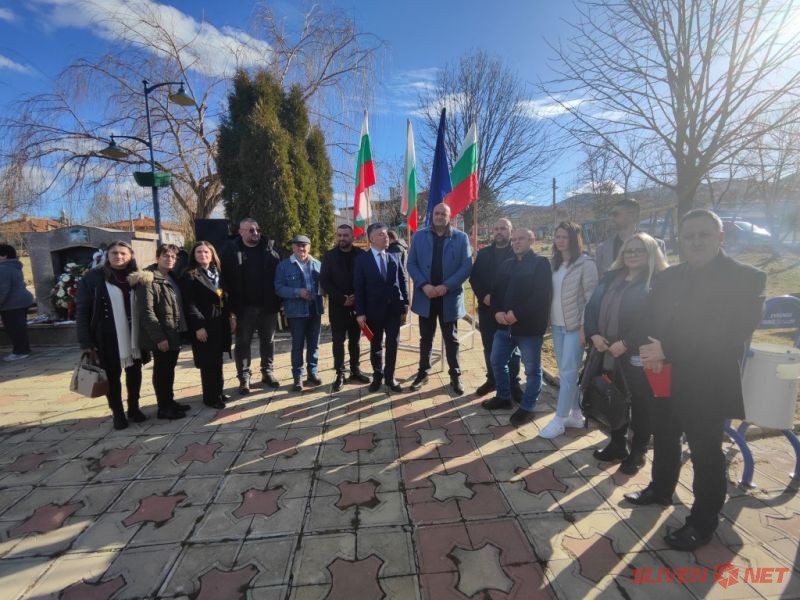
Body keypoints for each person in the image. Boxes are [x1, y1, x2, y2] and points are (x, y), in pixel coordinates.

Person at [626, 210, 766, 552]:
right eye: (689, 236)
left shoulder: (746, 278)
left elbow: (731, 333)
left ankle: (703, 522)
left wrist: (668, 350)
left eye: (704, 234)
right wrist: (647, 349)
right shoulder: (668, 276)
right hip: (663, 374)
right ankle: (661, 489)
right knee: (665, 437)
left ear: (721, 237)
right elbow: (648, 317)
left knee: (705, 453)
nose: (696, 241)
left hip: (707, 382)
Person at [583, 232, 668, 472]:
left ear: (650, 253)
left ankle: (638, 452)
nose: (632, 255)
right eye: (629, 250)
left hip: (638, 354)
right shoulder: (611, 277)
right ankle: (617, 444)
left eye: (639, 250)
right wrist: (593, 334)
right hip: (606, 351)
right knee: (614, 399)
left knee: (641, 404)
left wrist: (627, 342)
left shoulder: (657, 281)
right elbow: (591, 308)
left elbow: (653, 319)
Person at [482, 229, 552, 427]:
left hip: (529, 328)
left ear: (532, 240)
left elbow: (540, 296)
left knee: (532, 370)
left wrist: (517, 314)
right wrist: (496, 312)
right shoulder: (507, 264)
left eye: (521, 239)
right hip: (504, 326)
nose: (516, 243)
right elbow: (495, 292)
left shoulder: (540, 263)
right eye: (514, 240)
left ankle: (528, 407)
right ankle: (504, 396)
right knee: (496, 360)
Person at [76, 241, 147, 430]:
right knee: (112, 375)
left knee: (135, 372)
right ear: (107, 256)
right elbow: (82, 311)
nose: (118, 256)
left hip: (135, 333)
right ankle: (117, 412)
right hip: (107, 335)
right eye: (114, 253)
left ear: (131, 256)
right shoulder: (93, 278)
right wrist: (86, 341)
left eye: (123, 253)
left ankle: (134, 408)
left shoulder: (138, 277)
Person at [539, 222, 599, 439]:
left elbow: (591, 299)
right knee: (568, 373)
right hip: (557, 327)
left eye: (565, 237)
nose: (560, 240)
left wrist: (584, 328)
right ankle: (575, 414)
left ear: (574, 239)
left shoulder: (586, 264)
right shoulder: (553, 263)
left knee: (567, 372)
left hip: (574, 328)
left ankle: (559, 419)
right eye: (558, 236)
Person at [406, 203, 472, 394]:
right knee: (426, 338)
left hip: (448, 297)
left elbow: (466, 266)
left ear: (450, 216)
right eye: (437, 213)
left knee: (451, 339)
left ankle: (455, 376)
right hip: (426, 296)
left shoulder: (461, 237)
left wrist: (446, 286)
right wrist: (424, 285)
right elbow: (411, 264)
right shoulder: (419, 236)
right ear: (432, 215)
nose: (440, 216)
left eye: (444, 213)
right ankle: (423, 373)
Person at [128, 244, 190, 420]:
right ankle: (163, 408)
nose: (170, 259)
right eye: (166, 256)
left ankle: (169, 401)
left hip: (174, 330)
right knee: (162, 372)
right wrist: (159, 338)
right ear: (157, 258)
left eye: (173, 257)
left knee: (169, 370)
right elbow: (146, 311)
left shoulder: (171, 277)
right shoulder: (148, 279)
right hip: (162, 333)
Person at [221, 217, 282, 395]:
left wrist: (279, 302)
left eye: (257, 230)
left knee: (268, 341)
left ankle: (267, 372)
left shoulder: (270, 250)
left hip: (268, 306)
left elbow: (279, 277)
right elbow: (224, 281)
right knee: (242, 343)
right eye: (251, 230)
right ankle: (244, 377)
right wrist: (230, 310)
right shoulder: (230, 251)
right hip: (243, 308)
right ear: (241, 232)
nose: (255, 233)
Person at [354, 222, 410, 394]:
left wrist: (406, 302)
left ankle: (390, 376)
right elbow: (359, 288)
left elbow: (402, 280)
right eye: (381, 234)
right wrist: (360, 312)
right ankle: (377, 376)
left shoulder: (394, 256)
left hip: (393, 310)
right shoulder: (362, 260)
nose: (386, 237)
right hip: (373, 311)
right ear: (371, 238)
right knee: (376, 344)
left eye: (386, 233)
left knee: (393, 343)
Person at [469, 219, 522, 400]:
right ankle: (492, 380)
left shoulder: (517, 253)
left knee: (512, 350)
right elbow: (474, 278)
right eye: (496, 228)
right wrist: (483, 295)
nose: (499, 231)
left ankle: (513, 383)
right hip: (487, 309)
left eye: (503, 228)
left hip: (509, 312)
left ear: (511, 231)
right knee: (489, 347)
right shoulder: (484, 254)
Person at [181, 241, 232, 410]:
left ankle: (219, 392)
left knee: (217, 360)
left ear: (212, 255)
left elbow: (224, 297)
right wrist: (198, 326)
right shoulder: (190, 275)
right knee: (208, 362)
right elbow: (189, 304)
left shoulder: (217, 273)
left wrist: (231, 316)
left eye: (206, 252)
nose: (203, 255)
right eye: (199, 252)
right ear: (193, 255)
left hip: (220, 322)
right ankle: (211, 398)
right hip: (204, 324)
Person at [320, 224, 370, 392]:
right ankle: (340, 373)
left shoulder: (361, 255)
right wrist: (342, 298)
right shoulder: (329, 256)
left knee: (355, 341)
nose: (342, 238)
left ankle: (355, 370)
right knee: (338, 341)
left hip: (357, 305)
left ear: (352, 237)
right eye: (339, 235)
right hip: (338, 306)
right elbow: (325, 281)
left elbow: (366, 278)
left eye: (345, 235)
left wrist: (356, 296)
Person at [275, 234, 323, 392]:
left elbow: (325, 285)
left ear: (309, 247)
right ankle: (297, 377)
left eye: (304, 245)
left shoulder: (318, 264)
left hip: (315, 310)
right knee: (297, 345)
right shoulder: (284, 266)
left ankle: (312, 373)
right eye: (298, 245)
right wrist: (298, 292)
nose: (301, 248)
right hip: (296, 312)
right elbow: (279, 288)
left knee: (314, 345)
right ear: (293, 247)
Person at [596, 198, 666, 274]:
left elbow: (662, 276)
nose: (611, 218)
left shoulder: (656, 245)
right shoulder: (602, 249)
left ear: (633, 216)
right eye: (610, 215)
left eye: (615, 214)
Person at [0, 244, 34, 362]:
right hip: (21, 300)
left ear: (4, 256)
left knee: (14, 328)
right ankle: (23, 349)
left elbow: (3, 290)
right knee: (19, 327)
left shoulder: (3, 268)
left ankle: (21, 351)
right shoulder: (14, 266)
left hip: (12, 303)